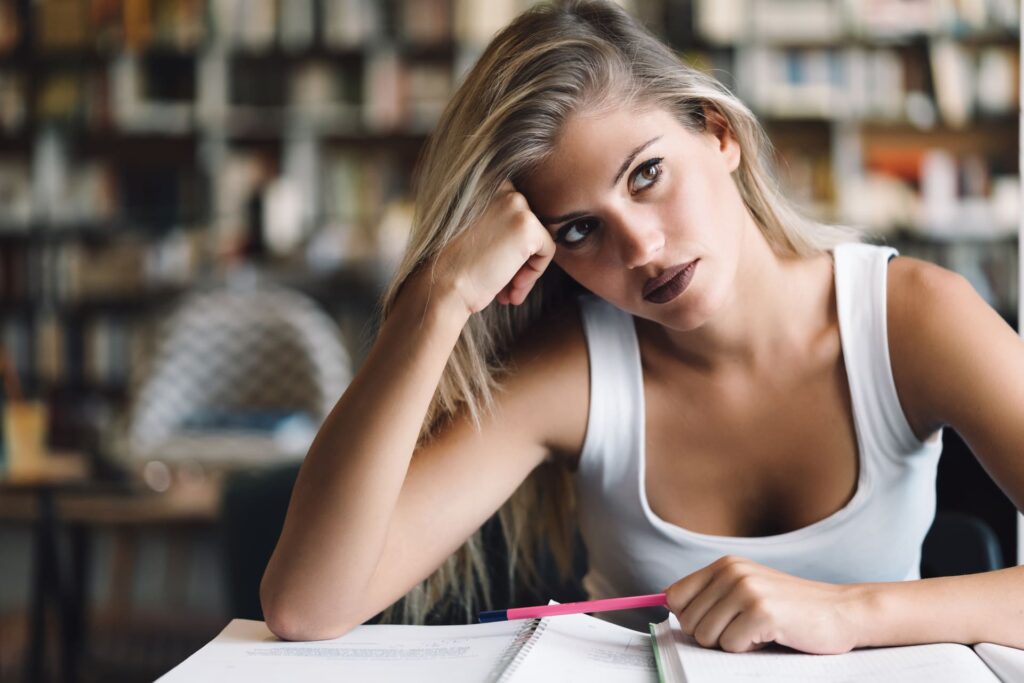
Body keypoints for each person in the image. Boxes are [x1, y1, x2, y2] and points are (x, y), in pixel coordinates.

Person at [259, 0, 1024, 653]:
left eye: (647, 174)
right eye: (581, 230)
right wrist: (435, 299)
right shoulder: (576, 371)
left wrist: (849, 611)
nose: (643, 248)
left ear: (717, 133)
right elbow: (308, 605)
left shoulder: (910, 318)